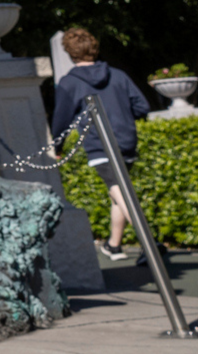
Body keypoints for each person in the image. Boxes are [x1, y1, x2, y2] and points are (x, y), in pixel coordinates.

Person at [51, 27, 149, 261]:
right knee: (119, 194)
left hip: (99, 145)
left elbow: (61, 119)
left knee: (121, 194)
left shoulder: (69, 82)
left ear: (70, 53)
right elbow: (141, 107)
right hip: (126, 141)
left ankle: (150, 245)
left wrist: (58, 146)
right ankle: (114, 245)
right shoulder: (117, 75)